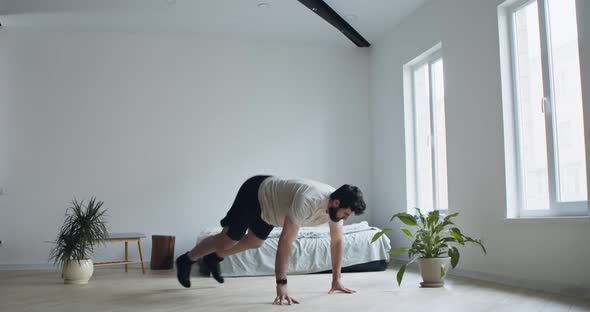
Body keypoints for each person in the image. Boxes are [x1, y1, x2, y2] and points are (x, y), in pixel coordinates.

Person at [175, 175, 366, 305]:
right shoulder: (309, 200)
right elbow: (286, 241)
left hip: (272, 210)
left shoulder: (336, 210)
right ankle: (187, 259)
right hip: (257, 193)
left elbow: (337, 241)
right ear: (336, 203)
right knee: (229, 239)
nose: (345, 218)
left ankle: (213, 257)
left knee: (255, 241)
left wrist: (337, 279)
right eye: (346, 214)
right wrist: (281, 284)